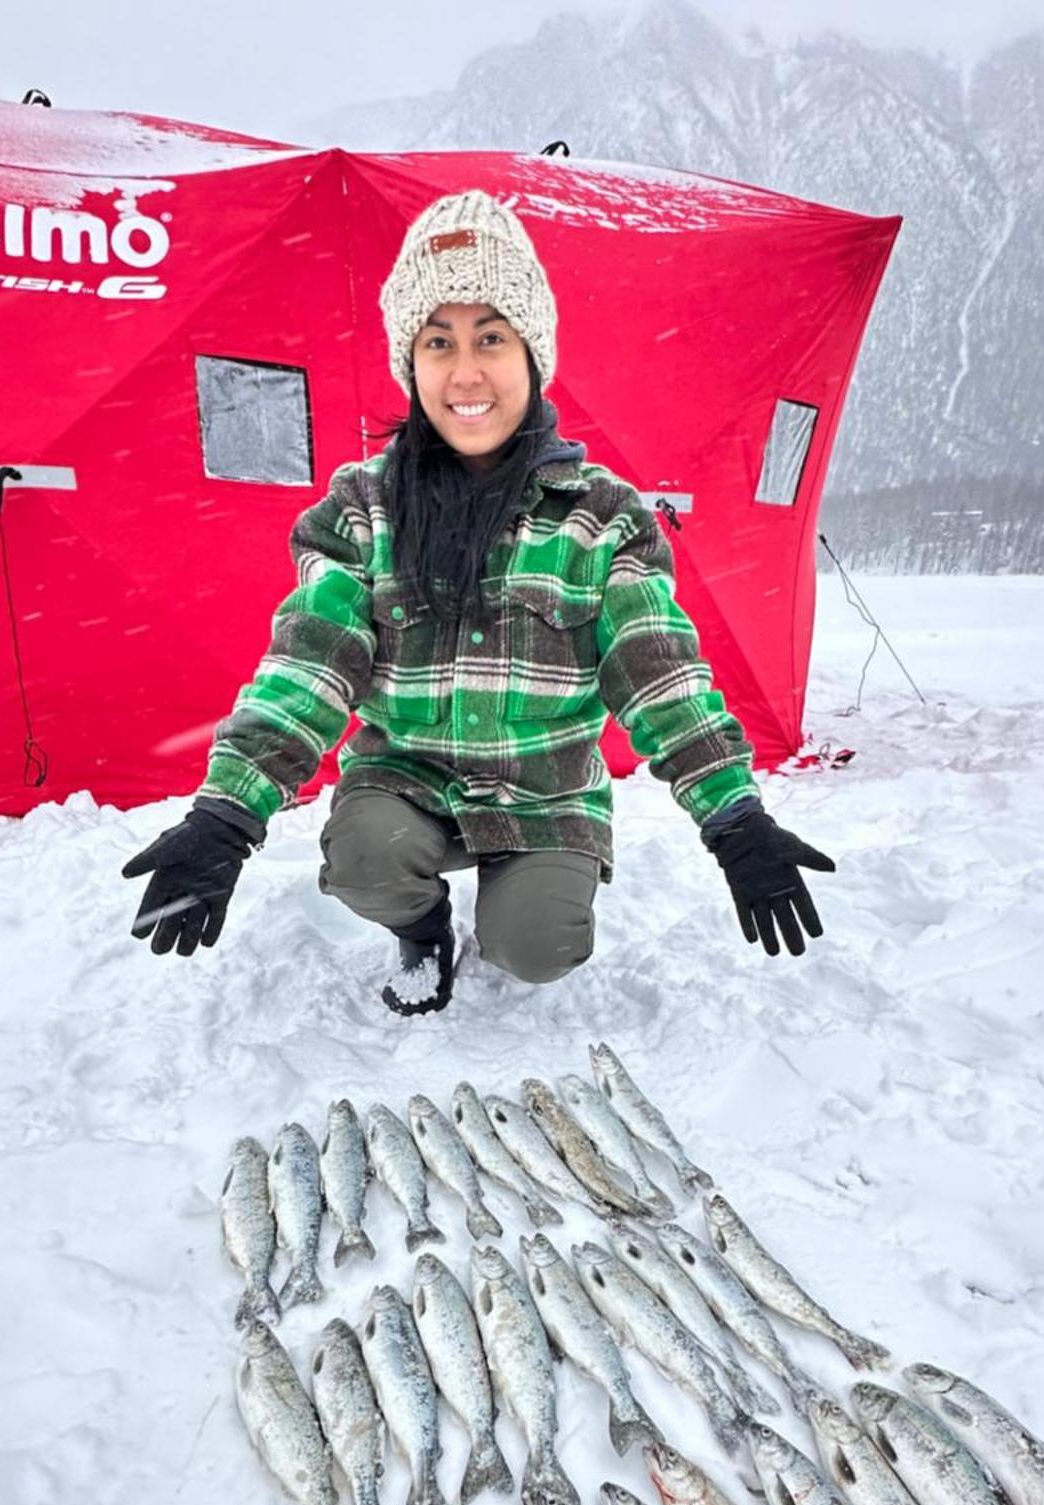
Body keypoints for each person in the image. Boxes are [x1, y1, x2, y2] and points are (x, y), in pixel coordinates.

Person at [123, 191, 834, 1014]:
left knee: (538, 948)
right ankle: (421, 927)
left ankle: (518, 892)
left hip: (546, 793)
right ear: (410, 361)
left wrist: (733, 816)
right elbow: (310, 664)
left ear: (532, 354)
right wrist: (227, 814)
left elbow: (658, 675)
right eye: (439, 341)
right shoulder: (361, 509)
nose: (466, 373)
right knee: (364, 857)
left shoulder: (604, 516)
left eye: (491, 337)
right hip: (407, 780)